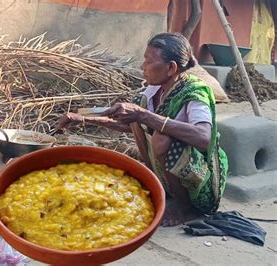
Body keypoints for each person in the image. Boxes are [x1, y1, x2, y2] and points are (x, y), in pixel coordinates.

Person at [57, 32, 228, 227]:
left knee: (161, 139)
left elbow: (203, 137)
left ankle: (184, 207)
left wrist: (143, 115)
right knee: (146, 126)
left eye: (148, 61)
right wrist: (83, 120)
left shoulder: (195, 92)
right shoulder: (153, 91)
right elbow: (129, 125)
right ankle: (163, 190)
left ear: (171, 68)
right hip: (172, 172)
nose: (142, 67)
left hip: (201, 180)